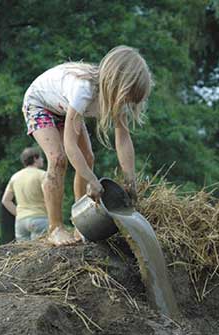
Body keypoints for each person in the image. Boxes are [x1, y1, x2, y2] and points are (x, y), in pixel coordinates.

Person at [22, 45, 152, 246]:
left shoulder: (118, 99)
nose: (126, 103)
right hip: (39, 104)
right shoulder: (84, 90)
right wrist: (92, 180)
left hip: (65, 107)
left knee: (88, 158)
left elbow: (123, 139)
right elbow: (70, 144)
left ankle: (80, 222)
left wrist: (130, 180)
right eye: (126, 97)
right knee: (58, 159)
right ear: (117, 84)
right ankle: (55, 228)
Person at [2, 147, 48, 241]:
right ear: (35, 158)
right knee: (41, 252)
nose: (42, 160)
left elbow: (5, 200)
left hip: (20, 222)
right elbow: (49, 198)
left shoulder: (15, 177)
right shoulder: (42, 175)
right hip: (39, 218)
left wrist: (19, 214)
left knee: (25, 254)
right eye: (41, 157)